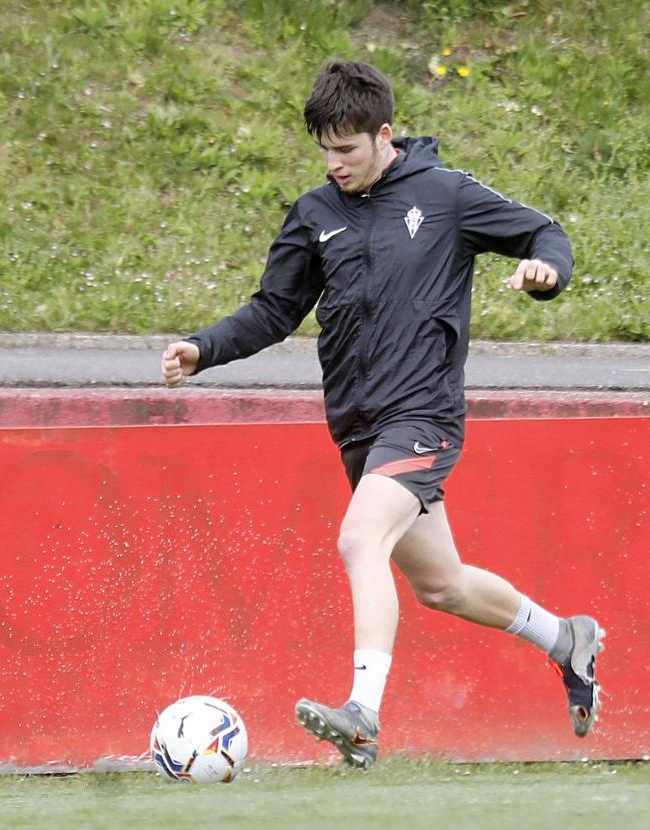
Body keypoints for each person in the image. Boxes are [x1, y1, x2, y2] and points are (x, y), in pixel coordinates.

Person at [161, 60, 603, 769]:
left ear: (384, 134)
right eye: (325, 151)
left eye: (349, 150)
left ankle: (363, 713)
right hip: (360, 427)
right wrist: (203, 348)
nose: (335, 165)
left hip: (422, 413)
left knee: (359, 540)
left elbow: (544, 234)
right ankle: (565, 639)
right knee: (442, 585)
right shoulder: (315, 215)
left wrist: (544, 273)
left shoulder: (446, 194)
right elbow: (275, 309)